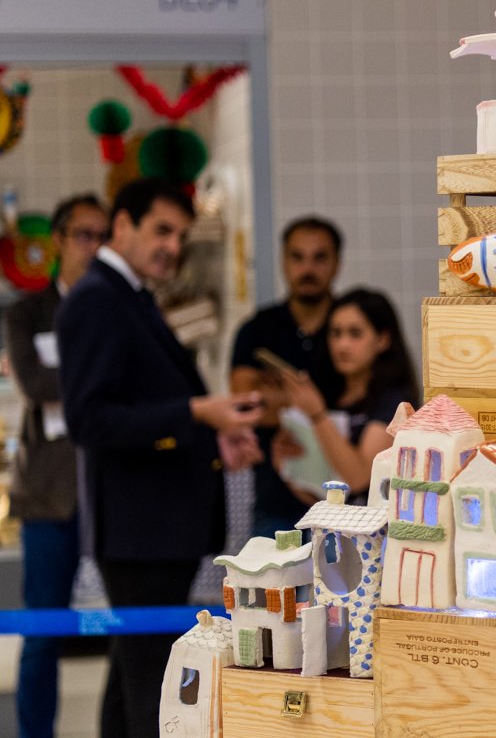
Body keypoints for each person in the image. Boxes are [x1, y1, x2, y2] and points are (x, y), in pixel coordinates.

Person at [56, 178, 261, 738]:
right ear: (122, 224)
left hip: (155, 527)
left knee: (132, 678)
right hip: (140, 529)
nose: (173, 246)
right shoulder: (98, 299)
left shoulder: (130, 295)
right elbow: (91, 420)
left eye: (181, 236)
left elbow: (143, 401)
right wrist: (196, 412)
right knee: (155, 689)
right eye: (162, 231)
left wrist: (212, 434)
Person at [4, 193, 108, 738]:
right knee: (42, 631)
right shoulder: (27, 312)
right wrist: (102, 381)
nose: (94, 247)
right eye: (84, 235)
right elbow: (33, 382)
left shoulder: (117, 308)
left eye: (103, 236)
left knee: (127, 627)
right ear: (60, 240)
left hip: (111, 488)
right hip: (49, 492)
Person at [230, 216, 343, 534]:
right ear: (283, 261)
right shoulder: (256, 330)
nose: (308, 268)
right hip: (276, 504)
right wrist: (321, 401)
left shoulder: (350, 326)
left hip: (350, 506)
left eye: (319, 257)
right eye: (297, 257)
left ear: (337, 263)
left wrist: (275, 394)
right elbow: (246, 406)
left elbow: (364, 402)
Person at [275, 288, 419, 497]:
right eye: (336, 333)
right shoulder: (329, 392)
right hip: (329, 514)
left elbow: (360, 478)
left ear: (383, 340)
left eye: (355, 333)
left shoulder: (396, 402)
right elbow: (317, 492)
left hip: (375, 517)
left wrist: (317, 416)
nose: (342, 345)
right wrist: (286, 462)